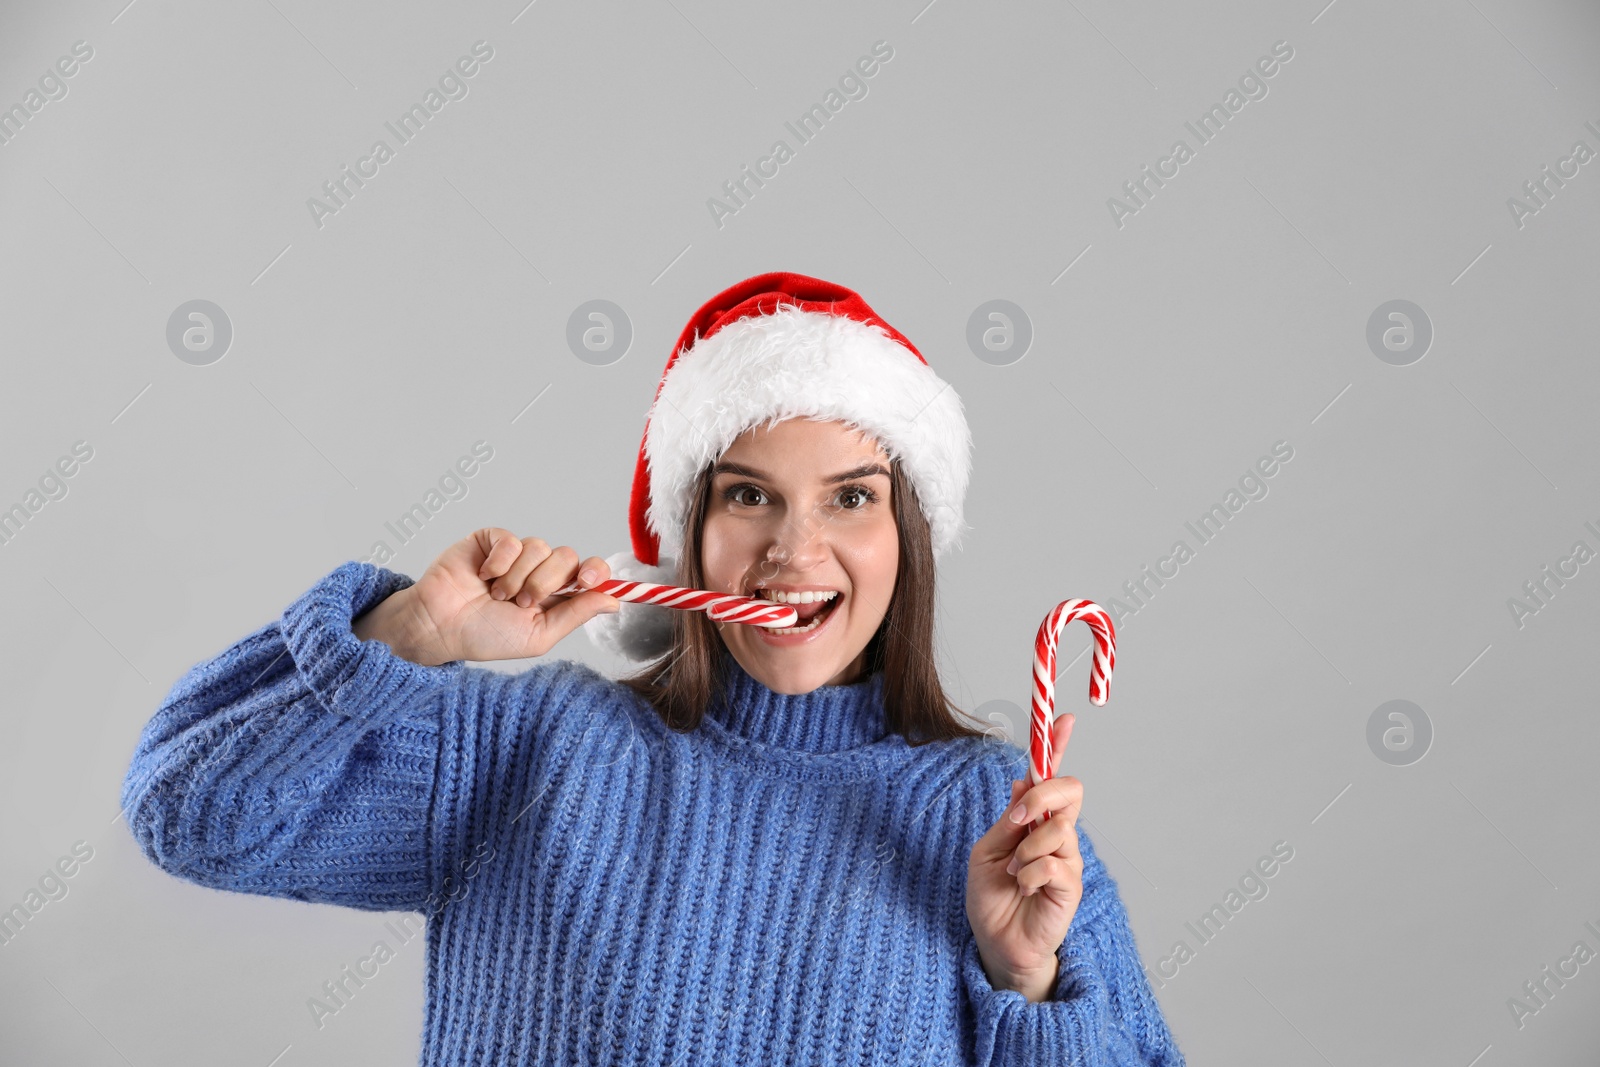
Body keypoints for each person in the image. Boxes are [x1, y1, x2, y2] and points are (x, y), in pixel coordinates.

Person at [121, 271, 1186, 1065]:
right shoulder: (532, 750)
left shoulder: (1001, 827)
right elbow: (187, 809)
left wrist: (1028, 983)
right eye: (748, 493)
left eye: (851, 497)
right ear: (690, 529)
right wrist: (406, 631)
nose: (793, 549)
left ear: (908, 533)